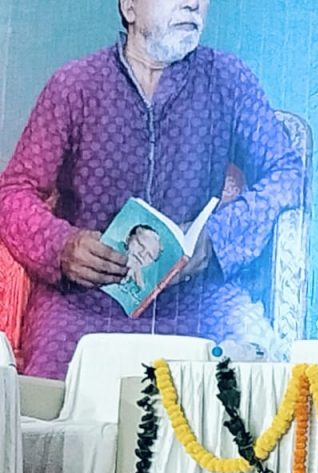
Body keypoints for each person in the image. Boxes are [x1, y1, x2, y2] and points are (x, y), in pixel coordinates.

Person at [0, 0, 301, 378]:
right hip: (84, 303)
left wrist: (217, 238)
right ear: (129, 7)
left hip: (196, 301)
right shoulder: (74, 86)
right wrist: (63, 246)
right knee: (54, 392)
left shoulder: (228, 80)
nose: (192, 4)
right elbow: (14, 191)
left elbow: (287, 173)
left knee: (260, 373)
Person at [122, 225, 162, 291]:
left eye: (149, 255)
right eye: (140, 245)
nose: (142, 254)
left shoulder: (145, 289)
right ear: (128, 239)